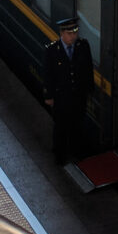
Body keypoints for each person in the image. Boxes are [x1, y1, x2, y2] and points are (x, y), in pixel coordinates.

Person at [43, 17, 94, 166]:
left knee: (77, 124)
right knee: (61, 126)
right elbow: (48, 74)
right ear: (62, 34)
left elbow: (88, 69)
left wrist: (89, 89)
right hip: (61, 97)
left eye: (75, 32)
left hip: (78, 95)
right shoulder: (52, 50)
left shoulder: (83, 46)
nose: (73, 36)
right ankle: (60, 154)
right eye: (70, 33)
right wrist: (49, 95)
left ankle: (76, 151)